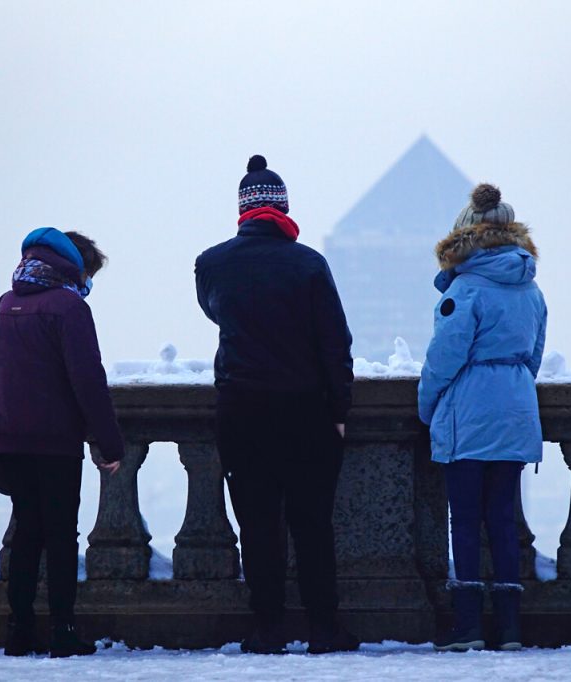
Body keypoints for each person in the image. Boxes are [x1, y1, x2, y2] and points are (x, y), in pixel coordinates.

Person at [194, 155, 358, 655]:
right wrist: (339, 410)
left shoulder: (211, 263)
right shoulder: (309, 264)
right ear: (283, 208)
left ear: (242, 211)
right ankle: (324, 630)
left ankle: (267, 629)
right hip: (305, 410)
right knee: (311, 524)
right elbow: (335, 344)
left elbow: (213, 311)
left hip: (241, 410)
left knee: (258, 525)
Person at [0, 227, 124, 658]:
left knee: (25, 533)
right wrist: (110, 444)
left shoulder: (3, 305)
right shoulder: (68, 308)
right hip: (56, 440)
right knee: (60, 535)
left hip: (10, 437)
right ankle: (62, 630)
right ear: (75, 267)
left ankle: (18, 632)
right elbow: (89, 382)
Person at [417, 184, 547, 652]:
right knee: (503, 519)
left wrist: (427, 407)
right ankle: (510, 628)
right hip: (516, 405)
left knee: (466, 521)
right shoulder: (530, 288)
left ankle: (469, 626)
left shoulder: (466, 289)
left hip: (469, 411)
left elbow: (443, 359)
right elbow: (534, 355)